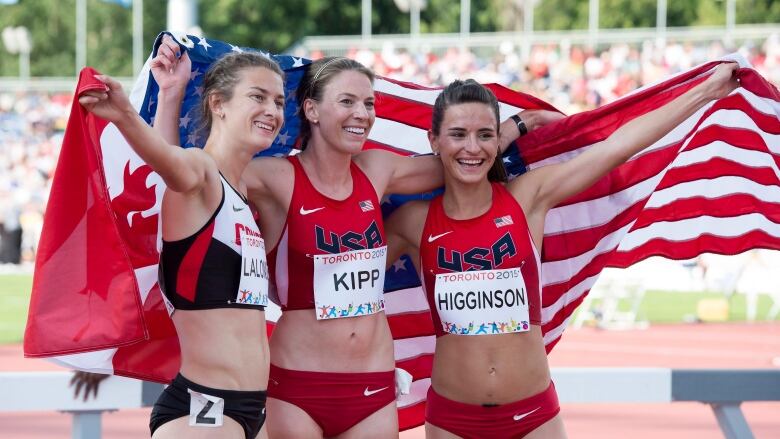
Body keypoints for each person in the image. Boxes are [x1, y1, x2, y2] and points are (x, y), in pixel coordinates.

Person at [156, 55, 559, 438]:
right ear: (312, 110)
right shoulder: (273, 177)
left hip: (372, 385)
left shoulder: (378, 170)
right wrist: (170, 98)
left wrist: (513, 128)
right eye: (347, 101)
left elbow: (463, 158)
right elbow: (189, 180)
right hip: (297, 383)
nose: (362, 113)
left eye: (368, 103)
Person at [385, 64, 738, 438]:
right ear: (433, 140)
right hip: (453, 421)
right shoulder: (412, 221)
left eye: (485, 135)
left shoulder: (527, 197)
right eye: (458, 134)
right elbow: (346, 269)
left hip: (533, 415)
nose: (473, 147)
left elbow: (617, 148)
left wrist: (706, 92)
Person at [78, 35, 285, 439]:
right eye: (258, 97)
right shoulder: (199, 174)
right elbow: (169, 161)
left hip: (250, 410)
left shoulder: (240, 196)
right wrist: (123, 115)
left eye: (278, 101)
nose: (272, 110)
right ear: (218, 104)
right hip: (204, 409)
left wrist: (171, 93)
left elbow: (166, 162)